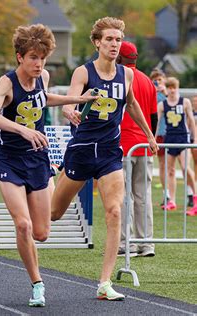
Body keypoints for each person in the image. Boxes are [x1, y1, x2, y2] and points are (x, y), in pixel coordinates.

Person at [0, 23, 98, 307]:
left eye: (42, 57)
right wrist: (22, 130)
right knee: (22, 225)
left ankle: (35, 261)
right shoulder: (6, 83)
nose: (39, 63)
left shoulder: (43, 77)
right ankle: (37, 283)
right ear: (20, 56)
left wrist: (76, 99)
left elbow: (44, 99)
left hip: (37, 159)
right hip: (9, 159)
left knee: (41, 233)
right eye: (33, 57)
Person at [51, 17, 158, 301]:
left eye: (118, 39)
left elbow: (132, 104)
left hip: (111, 152)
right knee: (53, 215)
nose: (114, 44)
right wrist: (70, 110)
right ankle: (49, 182)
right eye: (109, 39)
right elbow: (71, 100)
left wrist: (148, 133)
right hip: (82, 150)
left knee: (114, 212)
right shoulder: (83, 72)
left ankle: (105, 282)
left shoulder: (127, 75)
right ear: (97, 42)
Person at [116, 41, 157, 257]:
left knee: (124, 195)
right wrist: (151, 139)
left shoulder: (118, 78)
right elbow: (153, 116)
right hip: (144, 144)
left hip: (123, 144)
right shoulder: (148, 81)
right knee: (143, 194)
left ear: (120, 58)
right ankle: (146, 243)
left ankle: (127, 243)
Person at [157, 77, 197, 216]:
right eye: (169, 87)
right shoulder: (162, 105)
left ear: (177, 87)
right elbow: (157, 123)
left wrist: (195, 138)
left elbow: (191, 121)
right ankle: (172, 200)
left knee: (186, 168)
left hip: (183, 137)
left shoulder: (184, 102)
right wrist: (154, 138)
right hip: (169, 138)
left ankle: (195, 197)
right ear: (167, 89)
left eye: (174, 87)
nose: (172, 90)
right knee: (170, 170)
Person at [150, 69, 170, 204]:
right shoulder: (152, 94)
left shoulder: (169, 94)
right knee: (161, 165)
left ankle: (190, 193)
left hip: (170, 133)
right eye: (155, 80)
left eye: (160, 80)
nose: (157, 82)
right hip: (155, 134)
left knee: (175, 167)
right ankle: (166, 194)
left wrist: (166, 93)